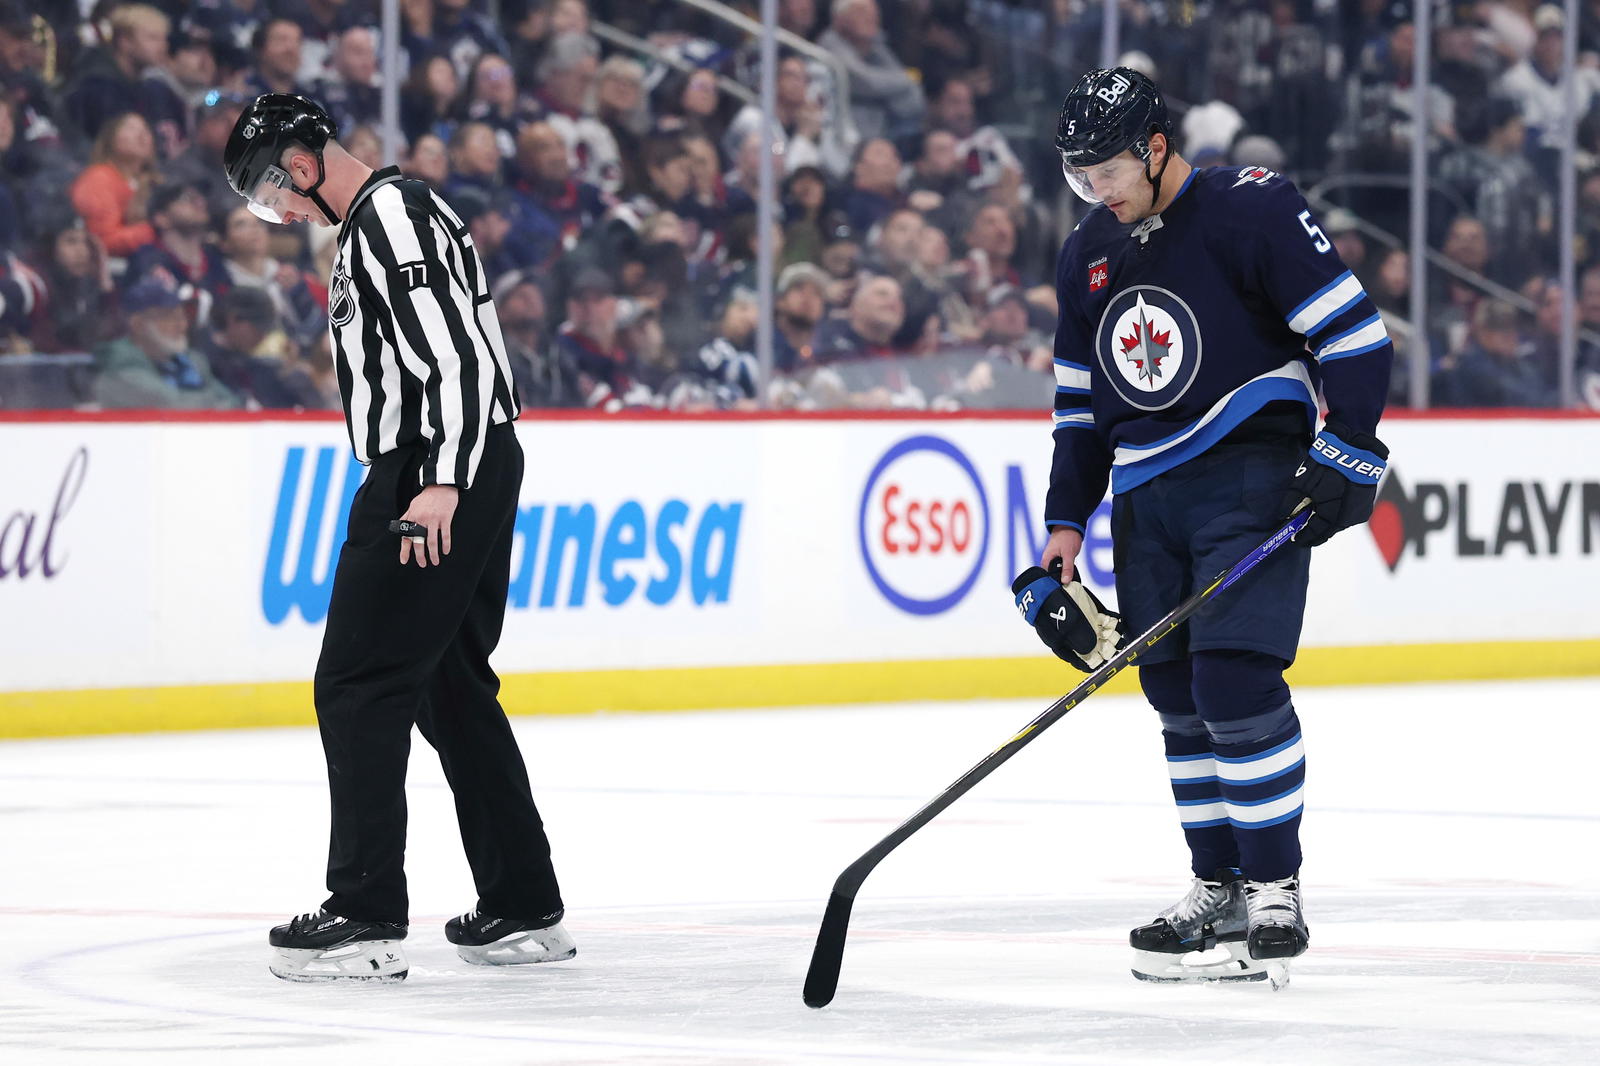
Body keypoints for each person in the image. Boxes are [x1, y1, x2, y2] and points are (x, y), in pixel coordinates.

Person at [1012, 68, 1393, 985]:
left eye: (1105, 168)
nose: (1094, 189)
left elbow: (1354, 337)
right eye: (1078, 176)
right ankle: (1216, 886)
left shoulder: (1249, 209)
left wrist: (1348, 442)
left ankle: (1274, 889)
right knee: (1176, 695)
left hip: (1249, 476)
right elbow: (1078, 415)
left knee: (1234, 678)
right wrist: (1065, 524)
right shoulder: (1085, 254)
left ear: (1154, 146)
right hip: (1147, 501)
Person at [222, 93, 574, 982]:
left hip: (430, 467)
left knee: (358, 683)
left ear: (296, 167)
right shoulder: (388, 218)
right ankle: (523, 901)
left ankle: (366, 915)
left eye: (275, 197)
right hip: (459, 458)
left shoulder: (385, 216)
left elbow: (453, 356)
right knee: (449, 687)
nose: (285, 213)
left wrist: (440, 481)